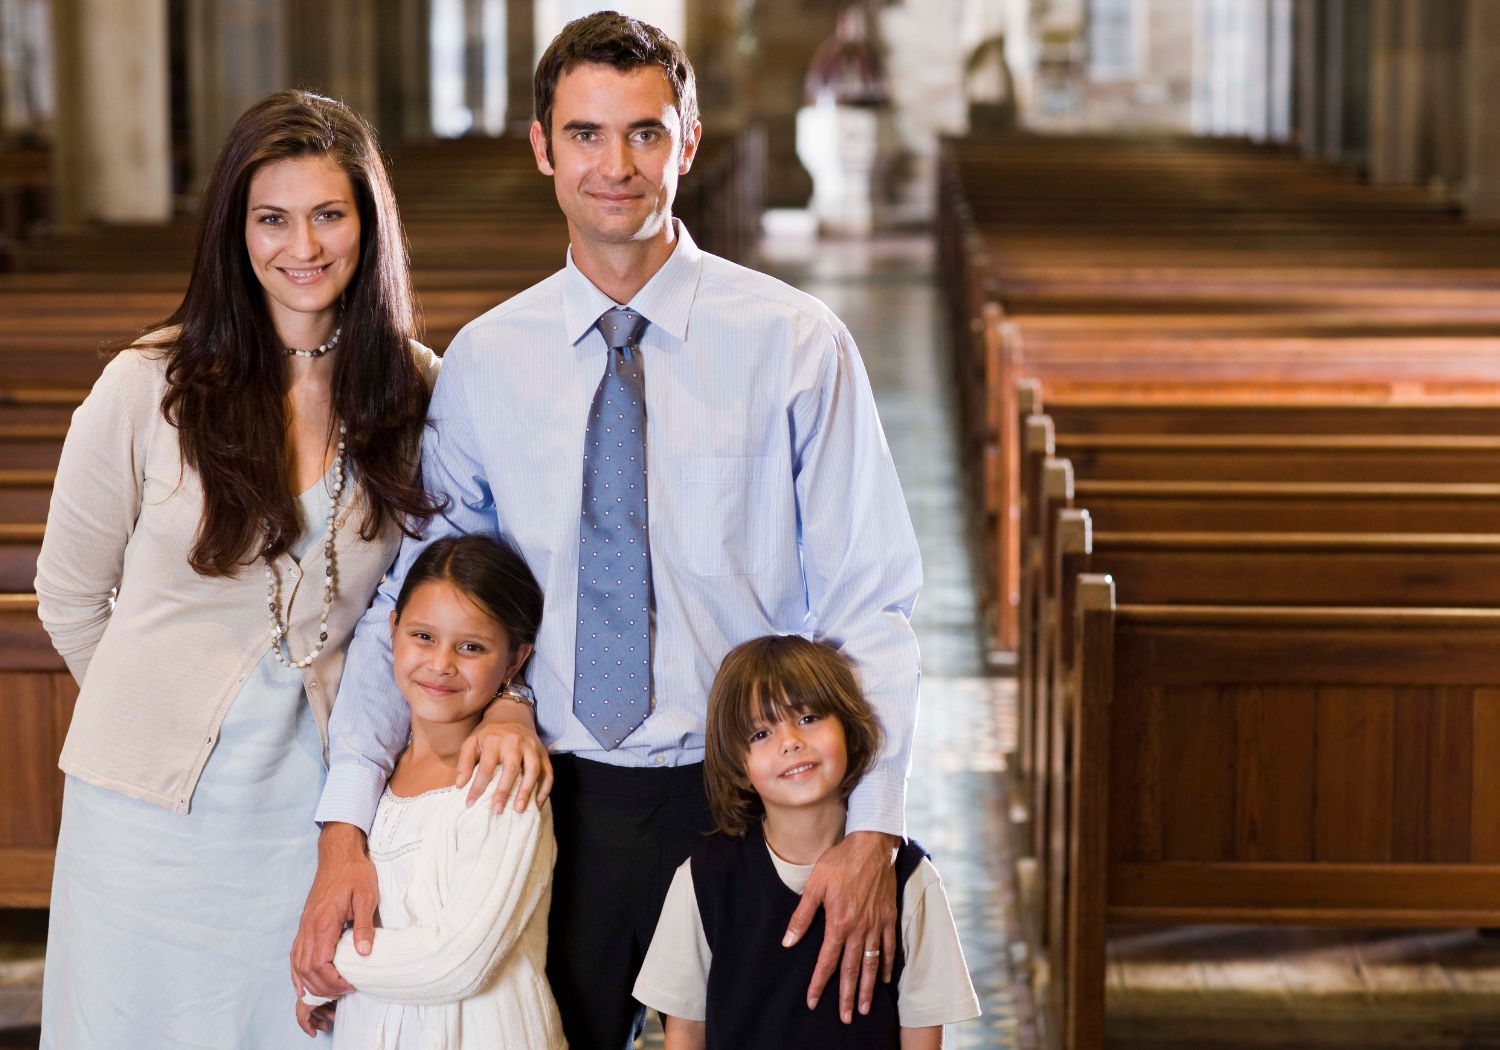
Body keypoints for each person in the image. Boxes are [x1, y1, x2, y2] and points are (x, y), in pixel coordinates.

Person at [293, 13, 924, 1049]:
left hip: (747, 798)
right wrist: (344, 827)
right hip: (548, 790)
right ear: (543, 148)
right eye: (585, 134)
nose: (616, 165)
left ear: (689, 141)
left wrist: (875, 828)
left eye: (644, 132)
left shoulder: (797, 344)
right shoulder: (490, 359)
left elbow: (872, 602)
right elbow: (418, 598)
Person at [36, 90, 443, 1048]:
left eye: (329, 214)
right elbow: (68, 595)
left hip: (316, 810)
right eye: (272, 218)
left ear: (368, 224)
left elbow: (433, 596)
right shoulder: (147, 385)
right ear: (236, 229)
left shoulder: (416, 389)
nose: (302, 245)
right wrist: (152, 704)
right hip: (146, 816)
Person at [634, 635, 979, 1049]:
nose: (790, 742)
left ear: (850, 730)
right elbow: (685, 1032)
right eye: (761, 733)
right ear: (739, 767)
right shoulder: (703, 879)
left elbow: (923, 1035)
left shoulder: (909, 877)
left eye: (809, 717)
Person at [296, 534, 565, 1049]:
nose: (441, 663)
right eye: (423, 636)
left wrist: (323, 960)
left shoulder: (504, 783)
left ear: (514, 661)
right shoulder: (375, 785)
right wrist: (323, 984)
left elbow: (458, 960)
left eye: (472, 647)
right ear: (392, 630)